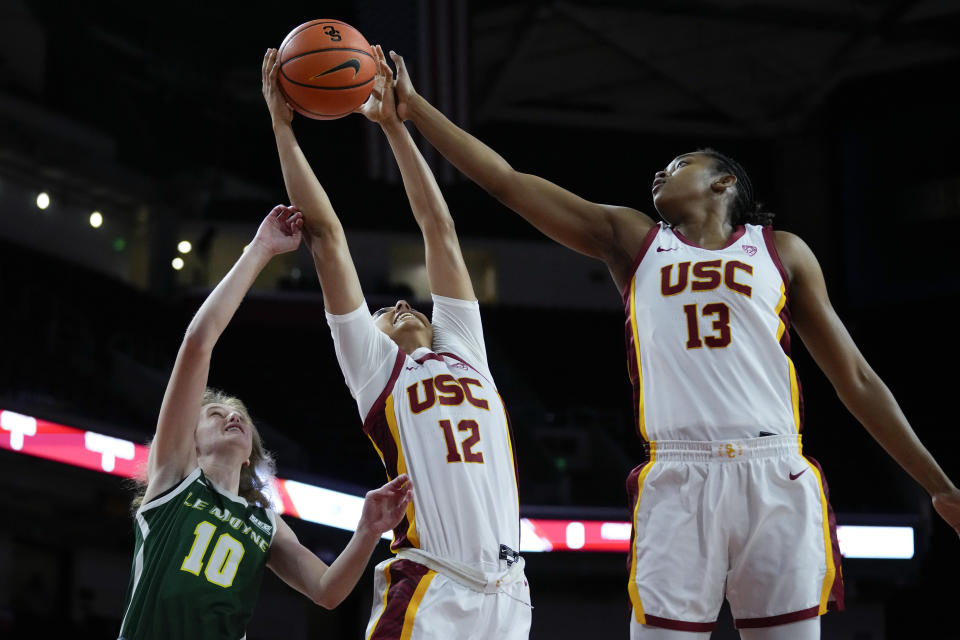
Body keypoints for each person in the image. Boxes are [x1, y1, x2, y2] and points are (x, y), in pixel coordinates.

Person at [380, 50, 960, 639]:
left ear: (724, 181)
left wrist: (939, 485)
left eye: (680, 163)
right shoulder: (633, 240)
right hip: (679, 476)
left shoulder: (782, 251)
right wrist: (417, 110)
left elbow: (855, 379)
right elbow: (508, 182)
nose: (660, 173)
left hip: (774, 468)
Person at [262, 45, 532, 640]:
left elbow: (440, 229)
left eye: (406, 302)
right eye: (385, 310)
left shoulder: (464, 349)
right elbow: (328, 237)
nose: (401, 305)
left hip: (511, 596)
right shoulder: (378, 370)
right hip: (433, 585)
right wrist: (284, 129)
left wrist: (394, 125)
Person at [117, 205, 414, 639]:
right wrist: (260, 249)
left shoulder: (266, 522)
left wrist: (368, 531)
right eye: (215, 414)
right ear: (191, 442)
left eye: (238, 414)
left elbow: (327, 591)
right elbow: (198, 343)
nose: (231, 415)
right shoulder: (174, 478)